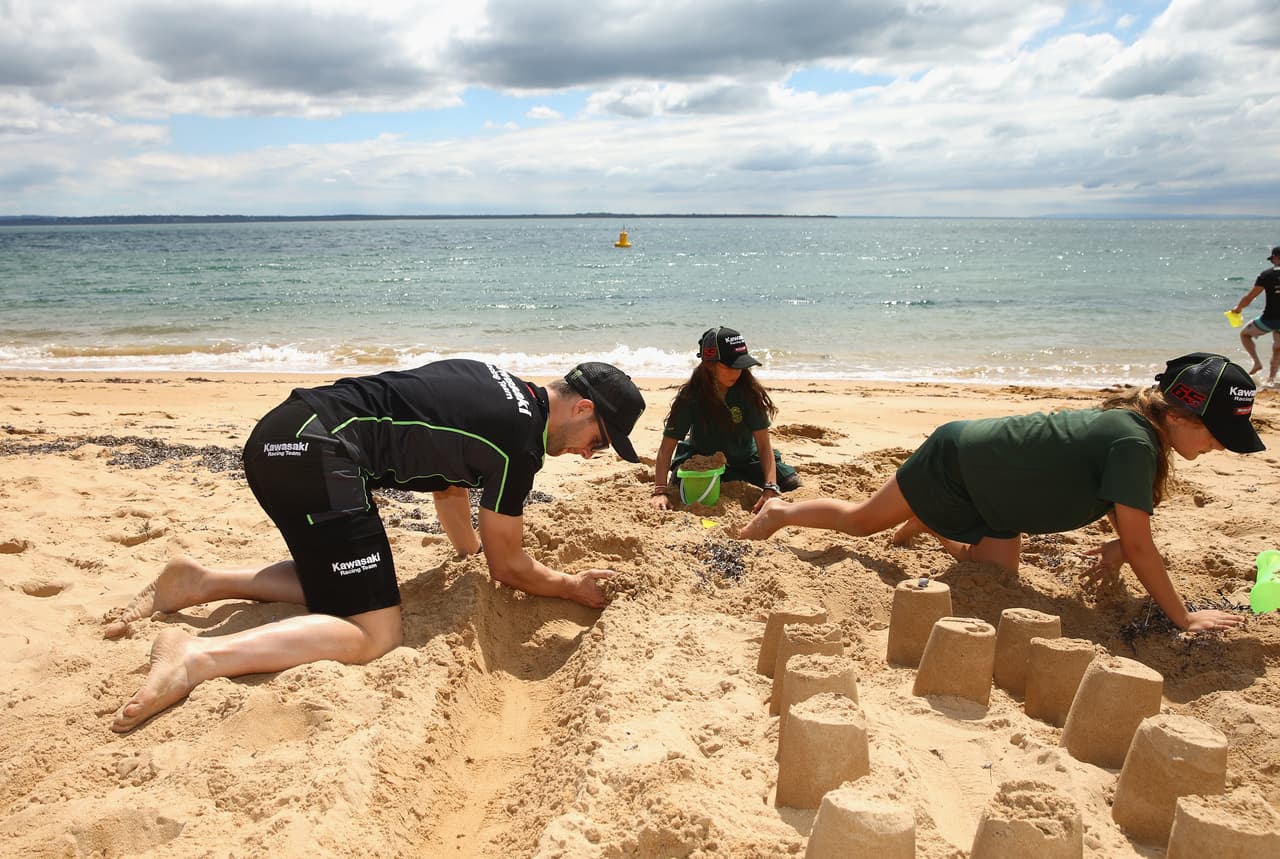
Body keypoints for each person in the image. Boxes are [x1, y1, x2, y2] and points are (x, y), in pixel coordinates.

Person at [105, 359, 645, 732]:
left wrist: (466, 556)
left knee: (347, 587)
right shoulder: (518, 443)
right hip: (319, 454)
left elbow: (449, 488)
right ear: (582, 409)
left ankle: (199, 582)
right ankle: (197, 657)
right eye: (599, 441)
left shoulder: (495, 384)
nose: (590, 454)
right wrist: (571, 586)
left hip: (278, 434)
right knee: (374, 631)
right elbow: (511, 567)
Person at [739, 353, 1265, 633]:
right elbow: (1142, 544)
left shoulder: (1139, 435)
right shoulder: (1134, 442)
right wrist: (1184, 615)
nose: (1220, 446)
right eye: (1217, 433)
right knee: (860, 521)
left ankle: (929, 520)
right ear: (1176, 415)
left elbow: (1119, 515)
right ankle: (783, 513)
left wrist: (1117, 546)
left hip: (1004, 496)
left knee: (991, 577)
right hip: (959, 462)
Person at [650, 326, 799, 513]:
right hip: (704, 461)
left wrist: (770, 488)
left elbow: (763, 444)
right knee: (691, 487)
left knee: (791, 482)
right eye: (729, 366)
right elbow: (666, 447)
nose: (736, 373)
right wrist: (659, 490)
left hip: (746, 459)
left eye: (741, 366)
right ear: (709, 364)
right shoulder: (691, 397)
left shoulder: (748, 393)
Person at [1229, 245, 1280, 386]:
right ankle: (1271, 379)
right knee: (1277, 348)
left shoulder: (1267, 275)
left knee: (1245, 334)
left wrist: (1238, 309)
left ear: (1276, 257)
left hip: (1269, 319)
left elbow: (1249, 297)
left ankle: (1257, 362)